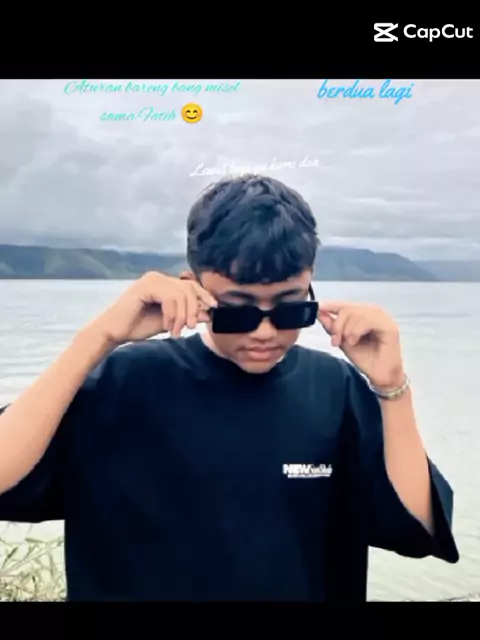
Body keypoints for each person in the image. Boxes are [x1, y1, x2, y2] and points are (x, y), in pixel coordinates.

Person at [0, 174, 459, 602]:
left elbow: (418, 527)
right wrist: (98, 338)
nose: (264, 331)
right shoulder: (121, 383)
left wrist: (392, 386)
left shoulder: (334, 389)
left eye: (289, 309)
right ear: (193, 288)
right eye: (238, 310)